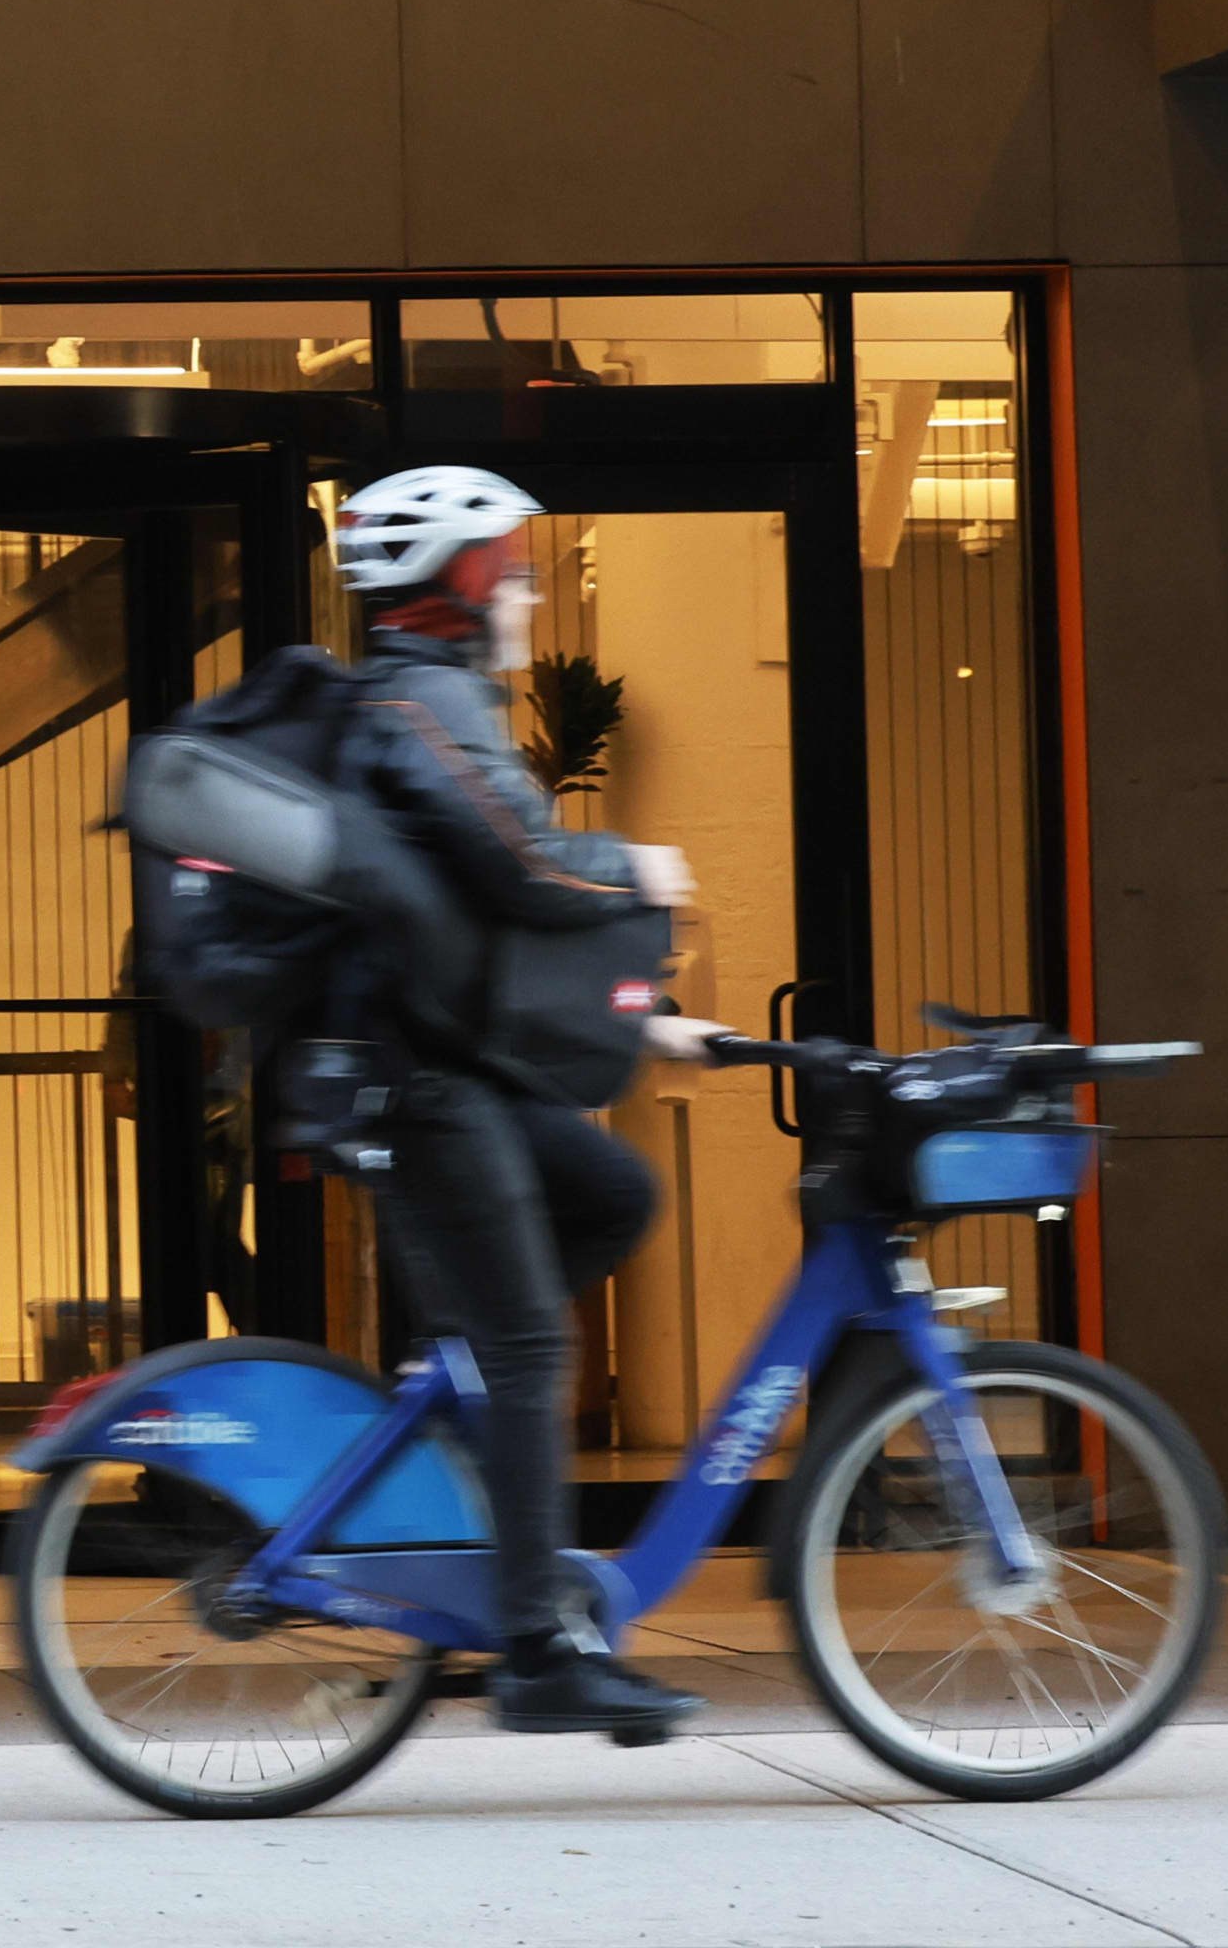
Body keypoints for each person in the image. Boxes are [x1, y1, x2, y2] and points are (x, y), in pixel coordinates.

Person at [327, 465, 729, 1739]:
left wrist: (649, 1022)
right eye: (505, 560)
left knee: (614, 1194)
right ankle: (540, 1655)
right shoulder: (417, 701)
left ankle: (458, 1388)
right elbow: (524, 867)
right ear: (450, 579)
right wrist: (639, 869)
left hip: (460, 1068)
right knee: (531, 1347)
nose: (523, 583)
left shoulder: (446, 701)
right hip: (424, 1086)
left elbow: (488, 938)